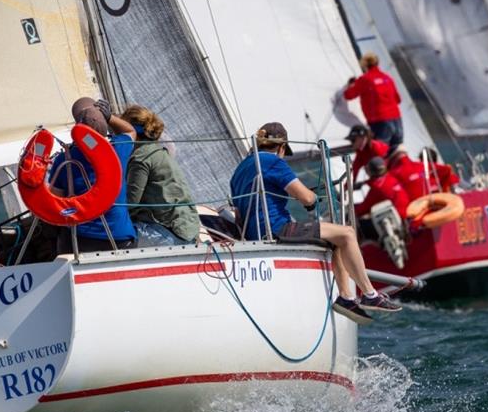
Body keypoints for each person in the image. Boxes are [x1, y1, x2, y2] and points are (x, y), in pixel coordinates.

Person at [230, 122, 401, 325]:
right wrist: (312, 201)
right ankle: (370, 294)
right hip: (276, 229)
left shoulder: (240, 169)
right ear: (282, 147)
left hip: (252, 234)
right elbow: (307, 199)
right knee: (346, 233)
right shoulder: (274, 162)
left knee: (335, 238)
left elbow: (240, 212)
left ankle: (346, 297)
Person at [50, 98, 137, 252]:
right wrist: (110, 117)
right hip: (120, 237)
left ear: (78, 127)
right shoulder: (119, 149)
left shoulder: (64, 159)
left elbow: (56, 200)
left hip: (81, 240)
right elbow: (130, 131)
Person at [121, 105, 200, 246]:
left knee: (113, 237)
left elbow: (130, 202)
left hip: (169, 233)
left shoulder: (141, 157)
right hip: (187, 229)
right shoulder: (158, 151)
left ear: (132, 131)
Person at [343, 52, 403, 152]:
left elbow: (348, 95)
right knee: (396, 153)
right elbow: (398, 100)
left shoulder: (364, 79)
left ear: (364, 65)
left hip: (380, 122)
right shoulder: (387, 78)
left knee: (380, 153)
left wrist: (350, 86)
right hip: (396, 120)